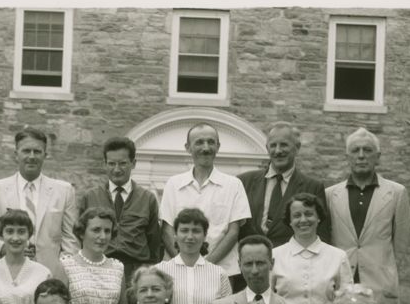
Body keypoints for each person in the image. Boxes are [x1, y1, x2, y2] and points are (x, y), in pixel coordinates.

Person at [324, 127, 410, 304]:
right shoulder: (330, 195)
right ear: (347, 157)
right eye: (355, 150)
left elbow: (400, 244)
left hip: (378, 286)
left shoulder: (396, 193)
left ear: (377, 157)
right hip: (342, 285)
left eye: (367, 150)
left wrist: (388, 273)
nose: (361, 155)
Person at [159, 122, 252, 290]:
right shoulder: (173, 184)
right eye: (199, 142)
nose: (206, 147)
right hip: (177, 272)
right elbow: (167, 230)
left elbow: (233, 232)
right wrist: (183, 263)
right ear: (188, 147)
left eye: (211, 142)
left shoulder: (234, 185)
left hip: (221, 271)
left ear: (218, 146)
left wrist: (205, 265)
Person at [0, 127, 78, 275]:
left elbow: (71, 238)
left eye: (37, 151)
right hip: (8, 273)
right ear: (16, 154)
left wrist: (62, 269)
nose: (32, 156)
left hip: (51, 276)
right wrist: (3, 249)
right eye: (26, 151)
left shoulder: (64, 191)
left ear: (45, 155)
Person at [77, 136, 163, 287]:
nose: (117, 169)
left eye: (122, 163)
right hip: (97, 270)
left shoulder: (147, 199)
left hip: (135, 272)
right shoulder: (90, 197)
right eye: (111, 164)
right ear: (104, 164)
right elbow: (80, 238)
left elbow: (154, 243)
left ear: (133, 163)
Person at [237, 121, 331, 247]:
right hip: (253, 262)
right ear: (267, 148)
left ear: (297, 148)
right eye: (273, 145)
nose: (278, 151)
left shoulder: (313, 187)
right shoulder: (244, 182)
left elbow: (321, 235)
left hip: (292, 262)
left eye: (284, 145)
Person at [58, 207, 126, 304]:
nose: (102, 237)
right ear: (82, 233)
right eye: (96, 230)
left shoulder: (118, 267)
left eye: (107, 231)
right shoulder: (66, 265)